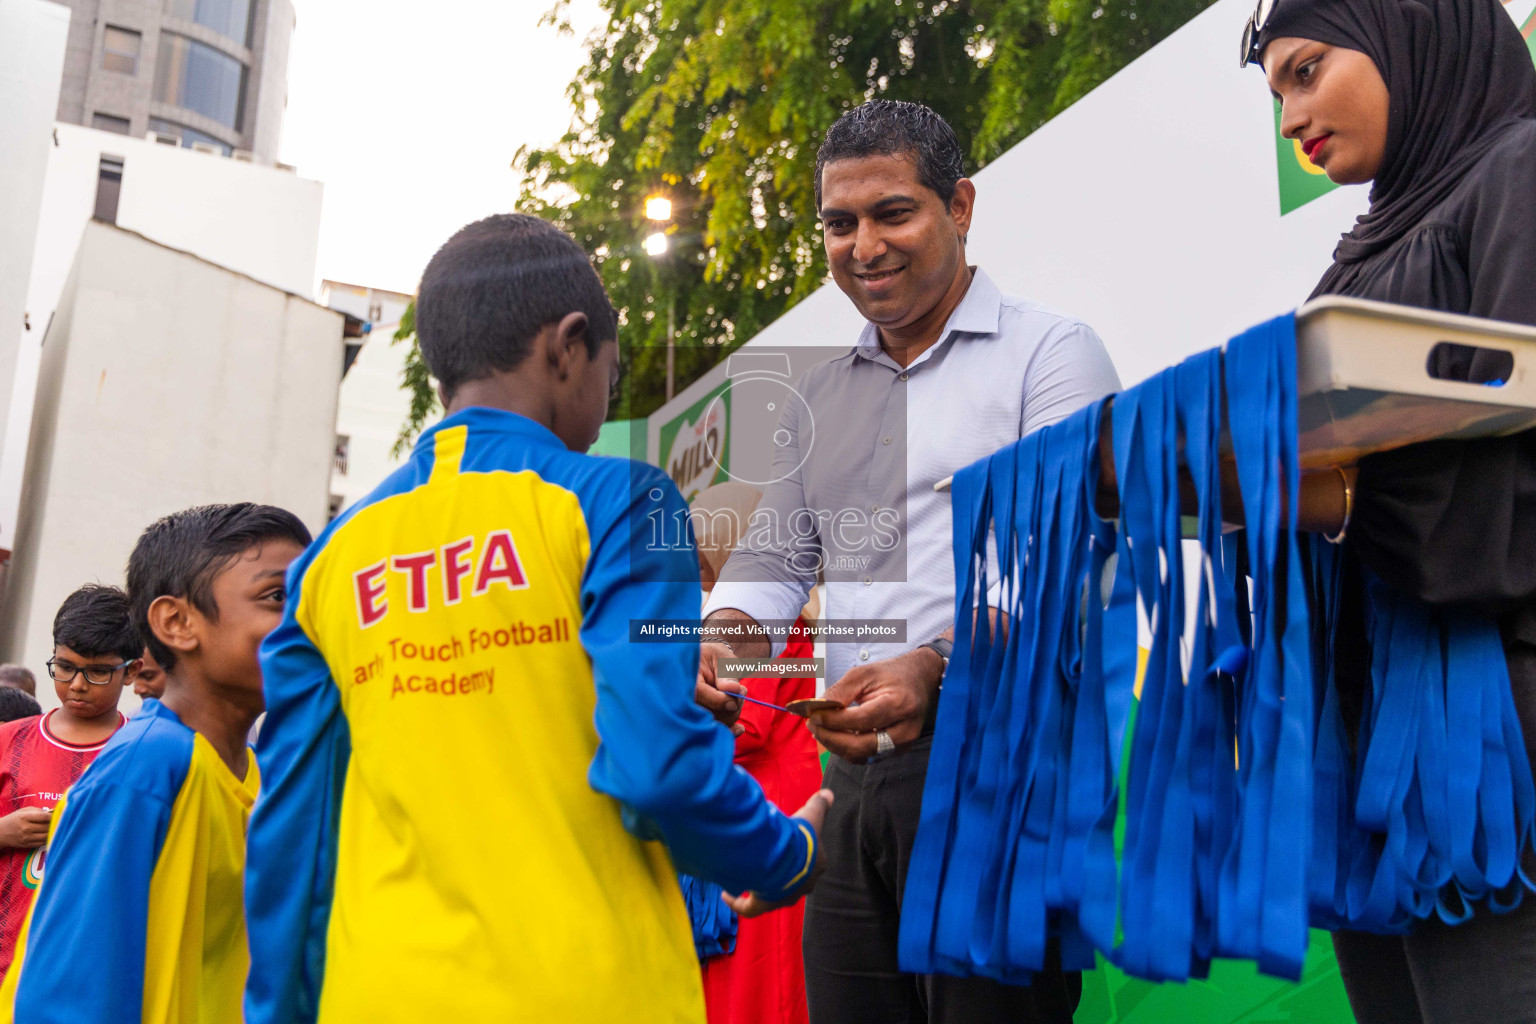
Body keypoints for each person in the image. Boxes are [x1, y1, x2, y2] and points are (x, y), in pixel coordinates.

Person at [244, 213, 831, 1024]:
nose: (604, 401)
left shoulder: (329, 560)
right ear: (568, 345)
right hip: (585, 987)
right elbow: (656, 767)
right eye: (611, 374)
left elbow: (295, 841)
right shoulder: (618, 500)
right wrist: (786, 853)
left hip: (377, 992)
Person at [696, 100, 1121, 1024]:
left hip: (998, 771)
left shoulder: (1051, 355)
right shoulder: (819, 396)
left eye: (893, 213)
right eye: (839, 224)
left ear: (960, 207)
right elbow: (769, 565)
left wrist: (935, 664)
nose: (864, 245)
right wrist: (717, 647)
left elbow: (1057, 565)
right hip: (845, 785)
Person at [1251, 1, 1536, 1021]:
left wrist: (1336, 490)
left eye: (1307, 70)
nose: (1289, 118)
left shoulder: (1522, 169)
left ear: (1413, 35)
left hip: (1500, 730)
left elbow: (1516, 452)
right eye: (1276, 89)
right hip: (1377, 744)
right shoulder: (1358, 255)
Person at [0, 503, 310, 1023]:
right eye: (278, 596)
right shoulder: (145, 771)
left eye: (308, 595)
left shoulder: (256, 771)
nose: (302, 618)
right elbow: (65, 996)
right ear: (176, 623)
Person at [690, 482, 823, 1024]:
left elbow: (742, 723)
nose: (694, 571)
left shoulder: (766, 630)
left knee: (761, 990)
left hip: (765, 819)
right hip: (758, 814)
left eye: (699, 554)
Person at [0, 584, 134, 977]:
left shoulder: (140, 751)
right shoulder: (10, 740)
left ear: (131, 671)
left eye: (97, 672)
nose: (77, 684)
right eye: (65, 666)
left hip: (91, 969)